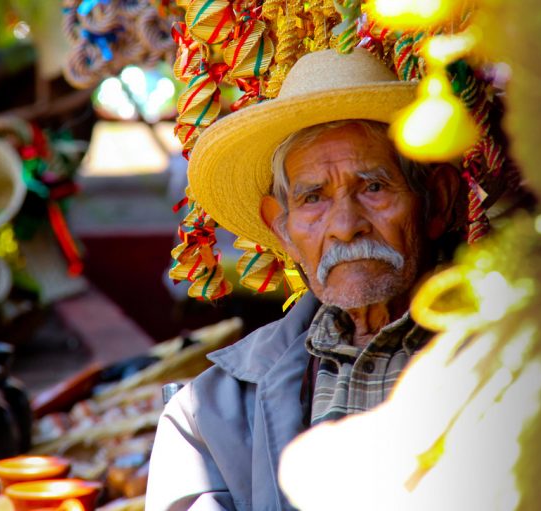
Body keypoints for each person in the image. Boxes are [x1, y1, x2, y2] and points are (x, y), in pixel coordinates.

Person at [145, 48, 464, 510]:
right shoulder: (209, 416)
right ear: (283, 230)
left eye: (373, 187)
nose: (345, 225)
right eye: (313, 198)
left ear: (437, 200)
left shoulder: (516, 359)